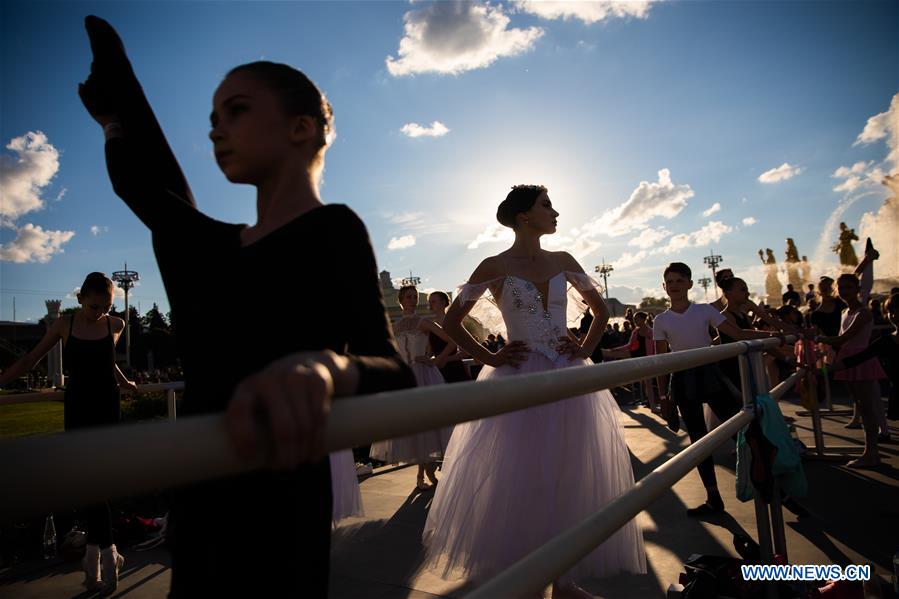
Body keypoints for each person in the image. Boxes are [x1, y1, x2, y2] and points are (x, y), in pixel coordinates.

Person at [78, 17, 414, 597]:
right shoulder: (210, 248)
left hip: (283, 509)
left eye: (235, 110)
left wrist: (330, 369)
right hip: (202, 504)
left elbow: (395, 372)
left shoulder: (331, 230)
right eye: (211, 119)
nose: (215, 130)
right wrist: (115, 117)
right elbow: (150, 190)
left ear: (301, 127)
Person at [423, 185, 645, 598]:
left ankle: (564, 580)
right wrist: (489, 358)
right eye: (546, 206)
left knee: (570, 473)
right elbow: (453, 322)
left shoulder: (564, 260)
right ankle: (526, 577)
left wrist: (585, 347)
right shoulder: (493, 265)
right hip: (519, 378)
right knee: (522, 479)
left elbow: (600, 311)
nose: (555, 212)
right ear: (524, 216)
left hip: (569, 378)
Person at [0, 272, 136, 594]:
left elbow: (106, 361)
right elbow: (32, 358)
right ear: (80, 299)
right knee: (86, 482)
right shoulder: (64, 325)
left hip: (106, 409)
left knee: (98, 481)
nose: (101, 312)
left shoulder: (114, 325)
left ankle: (100, 555)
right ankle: (106, 554)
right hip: (78, 409)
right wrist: (2, 380)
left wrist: (123, 381)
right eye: (94, 306)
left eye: (107, 307)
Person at [653, 263, 786, 516]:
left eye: (680, 281)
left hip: (708, 374)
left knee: (737, 424)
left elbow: (736, 333)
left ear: (690, 284)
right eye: (670, 282)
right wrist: (663, 397)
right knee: (698, 439)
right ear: (664, 287)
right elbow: (661, 362)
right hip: (682, 379)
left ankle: (764, 466)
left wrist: (775, 335)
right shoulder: (661, 320)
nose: (674, 286)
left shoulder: (704, 311)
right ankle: (714, 497)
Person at [371, 286, 454, 489]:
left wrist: (436, 359)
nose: (412, 300)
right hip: (404, 378)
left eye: (415, 297)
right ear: (400, 300)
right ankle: (423, 475)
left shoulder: (423, 322)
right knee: (413, 426)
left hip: (425, 375)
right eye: (408, 297)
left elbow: (452, 341)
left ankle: (422, 475)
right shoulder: (393, 327)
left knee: (427, 424)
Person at [818, 240, 887, 467]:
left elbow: (842, 339)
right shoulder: (846, 311)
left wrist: (815, 338)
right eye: (842, 288)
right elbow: (840, 341)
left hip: (861, 361)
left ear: (857, 289)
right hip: (848, 361)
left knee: (867, 407)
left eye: (850, 287)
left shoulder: (863, 313)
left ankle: (872, 453)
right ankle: (870, 451)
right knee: (860, 404)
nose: (846, 291)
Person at [836, 293, 898, 423]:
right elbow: (858, 358)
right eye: (891, 311)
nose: (894, 315)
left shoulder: (887, 340)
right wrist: (824, 370)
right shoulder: (886, 341)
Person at [427, 291, 470, 383]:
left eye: (433, 301)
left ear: (443, 302)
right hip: (437, 371)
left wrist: (444, 358)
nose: (430, 304)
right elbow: (430, 352)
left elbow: (466, 352)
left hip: (454, 370)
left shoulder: (454, 323)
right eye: (429, 302)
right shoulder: (431, 326)